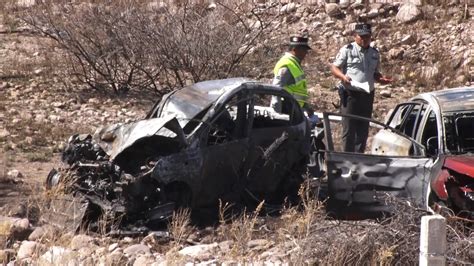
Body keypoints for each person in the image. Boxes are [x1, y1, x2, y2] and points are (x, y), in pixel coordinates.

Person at [330, 23, 392, 153]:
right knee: (349, 130)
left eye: (367, 37)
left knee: (363, 130)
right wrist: (343, 77)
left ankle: (359, 159)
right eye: (361, 36)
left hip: (367, 95)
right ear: (355, 36)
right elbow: (334, 68)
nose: (364, 40)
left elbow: (374, 73)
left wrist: (381, 79)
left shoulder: (374, 53)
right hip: (350, 94)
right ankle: (347, 159)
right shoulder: (347, 49)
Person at [272, 36, 318, 127]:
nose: (305, 53)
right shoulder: (287, 64)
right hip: (286, 109)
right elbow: (276, 89)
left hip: (294, 109)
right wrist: (277, 115)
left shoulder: (295, 64)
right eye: (303, 50)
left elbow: (297, 91)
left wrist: (306, 107)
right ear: (294, 49)